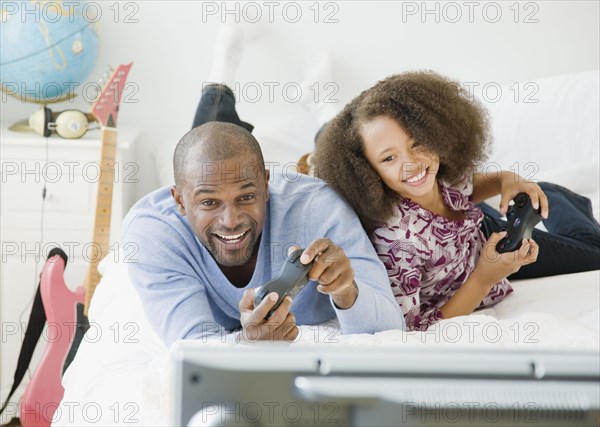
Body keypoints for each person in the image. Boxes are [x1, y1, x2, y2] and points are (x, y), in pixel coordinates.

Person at [120, 30, 404, 347]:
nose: (230, 220)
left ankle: (323, 106)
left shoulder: (319, 207)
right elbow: (191, 349)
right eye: (209, 203)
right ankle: (223, 65)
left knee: (344, 159)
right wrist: (248, 345)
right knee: (208, 139)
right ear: (179, 201)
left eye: (246, 196)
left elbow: (392, 328)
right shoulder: (152, 233)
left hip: (300, 186)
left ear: (266, 185)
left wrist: (347, 291)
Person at [312, 71, 600, 331]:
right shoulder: (398, 245)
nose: (412, 163)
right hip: (481, 252)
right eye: (389, 158)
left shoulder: (436, 176)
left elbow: (465, 186)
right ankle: (556, 194)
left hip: (471, 227)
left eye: (417, 144)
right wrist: (485, 277)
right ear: (368, 172)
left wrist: (504, 180)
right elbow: (415, 329)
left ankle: (544, 190)